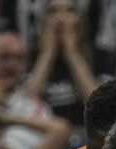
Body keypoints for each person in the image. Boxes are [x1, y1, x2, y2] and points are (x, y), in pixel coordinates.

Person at [25, 0, 103, 129]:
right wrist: (47, 53)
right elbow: (26, 105)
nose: (60, 18)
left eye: (69, 10)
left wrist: (72, 53)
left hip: (85, 133)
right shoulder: (31, 56)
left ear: (79, 19)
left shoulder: (97, 55)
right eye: (53, 11)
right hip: (44, 133)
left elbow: (98, 106)